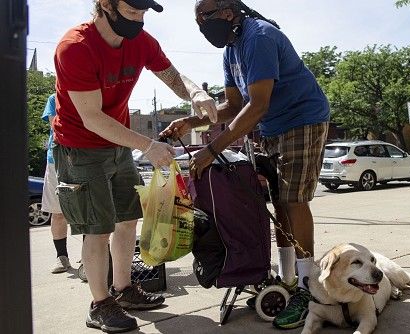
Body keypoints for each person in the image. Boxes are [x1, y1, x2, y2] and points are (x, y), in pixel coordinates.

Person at [161, 0, 329, 329]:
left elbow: (257, 106)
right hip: (273, 128)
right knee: (279, 203)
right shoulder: (231, 50)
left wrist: (211, 149)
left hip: (302, 120)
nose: (202, 27)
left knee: (294, 201)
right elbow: (233, 105)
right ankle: (288, 278)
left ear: (227, 12)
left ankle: (310, 290)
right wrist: (192, 121)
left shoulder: (259, 38)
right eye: (197, 22)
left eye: (204, 18)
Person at [53, 1, 217, 332]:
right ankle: (99, 305)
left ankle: (124, 290)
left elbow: (170, 74)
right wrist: (148, 146)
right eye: (132, 11)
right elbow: (92, 117)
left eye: (144, 12)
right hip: (81, 149)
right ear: (105, 5)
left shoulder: (140, 41)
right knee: (98, 230)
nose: (140, 20)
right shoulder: (75, 47)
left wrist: (195, 92)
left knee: (128, 220)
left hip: (119, 144)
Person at [41, 94, 72, 274]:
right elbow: (56, 125)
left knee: (88, 212)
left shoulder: (90, 93)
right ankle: (62, 257)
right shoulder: (54, 98)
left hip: (85, 159)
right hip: (56, 160)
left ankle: (88, 258)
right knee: (58, 212)